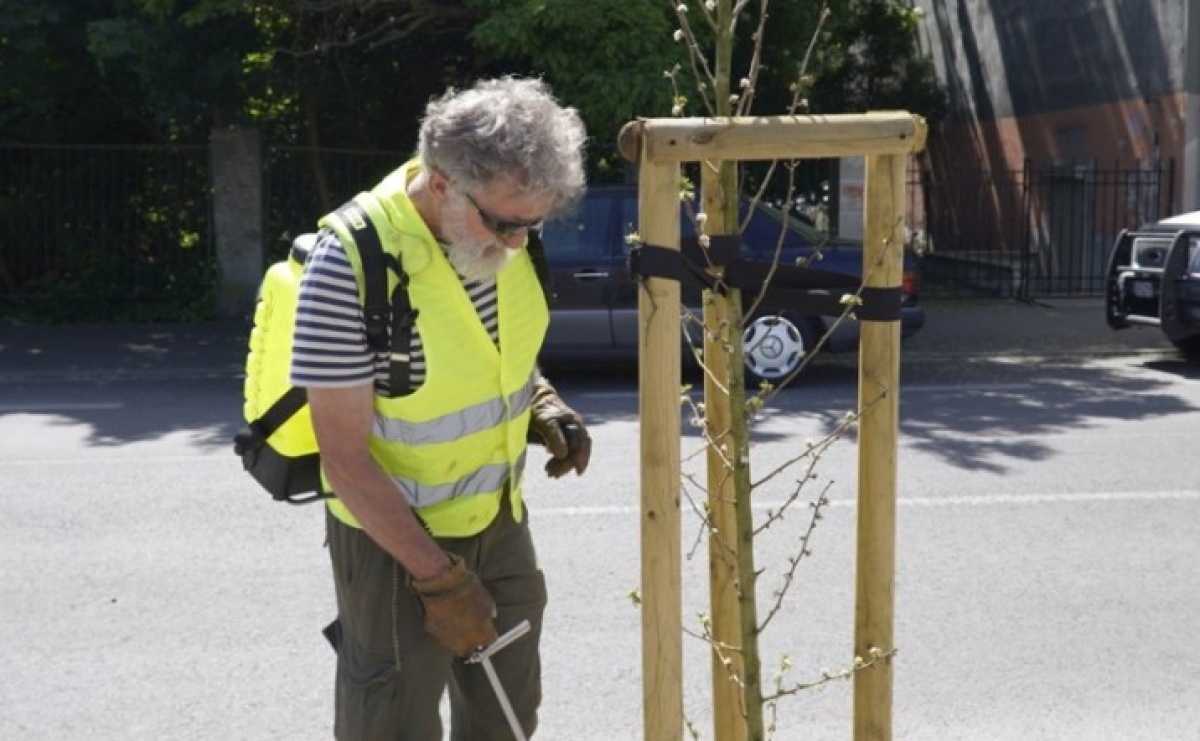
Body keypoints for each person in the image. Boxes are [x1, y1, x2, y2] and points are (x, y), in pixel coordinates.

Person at [290, 76, 592, 740]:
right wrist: (437, 579)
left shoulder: (495, 235)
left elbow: (487, 349)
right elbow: (341, 455)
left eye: (533, 226)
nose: (518, 245)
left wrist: (539, 398)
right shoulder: (352, 261)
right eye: (506, 223)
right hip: (392, 539)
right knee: (390, 719)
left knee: (507, 716)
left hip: (498, 520)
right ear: (440, 184)